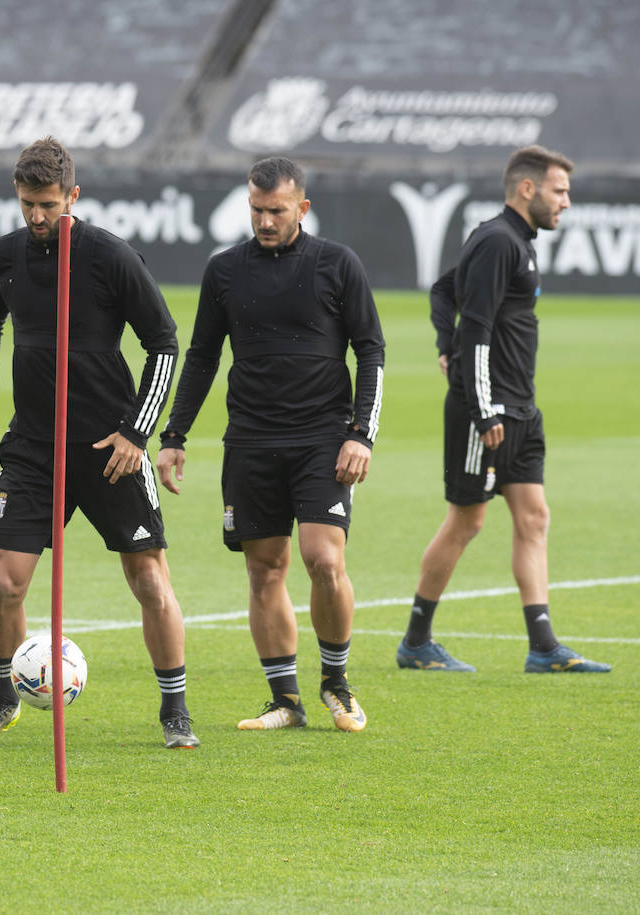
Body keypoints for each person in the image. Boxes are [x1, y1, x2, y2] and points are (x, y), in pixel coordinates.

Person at [0, 137, 198, 749]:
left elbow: (164, 343)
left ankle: (175, 708)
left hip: (109, 449)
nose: (36, 217)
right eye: (26, 204)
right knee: (5, 583)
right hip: (33, 448)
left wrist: (136, 433)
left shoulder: (109, 257)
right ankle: (2, 696)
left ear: (73, 196)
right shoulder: (6, 255)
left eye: (47, 204)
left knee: (149, 579)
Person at [157, 156, 385, 732]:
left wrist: (362, 434)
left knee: (323, 560)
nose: (264, 221)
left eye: (276, 211)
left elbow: (371, 351)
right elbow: (203, 356)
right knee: (264, 570)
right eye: (256, 210)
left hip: (322, 438)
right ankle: (286, 700)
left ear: (301, 208)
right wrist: (174, 435)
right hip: (252, 441)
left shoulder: (337, 264)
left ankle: (336, 682)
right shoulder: (226, 270)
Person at [396, 145, 611, 674]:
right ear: (527, 188)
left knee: (534, 516)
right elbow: (479, 326)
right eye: (560, 191)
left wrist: (444, 345)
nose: (566, 202)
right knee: (466, 521)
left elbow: (444, 289)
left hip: (520, 408)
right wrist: (481, 404)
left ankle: (543, 648)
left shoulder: (515, 241)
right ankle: (416, 642)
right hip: (488, 411)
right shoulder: (498, 241)